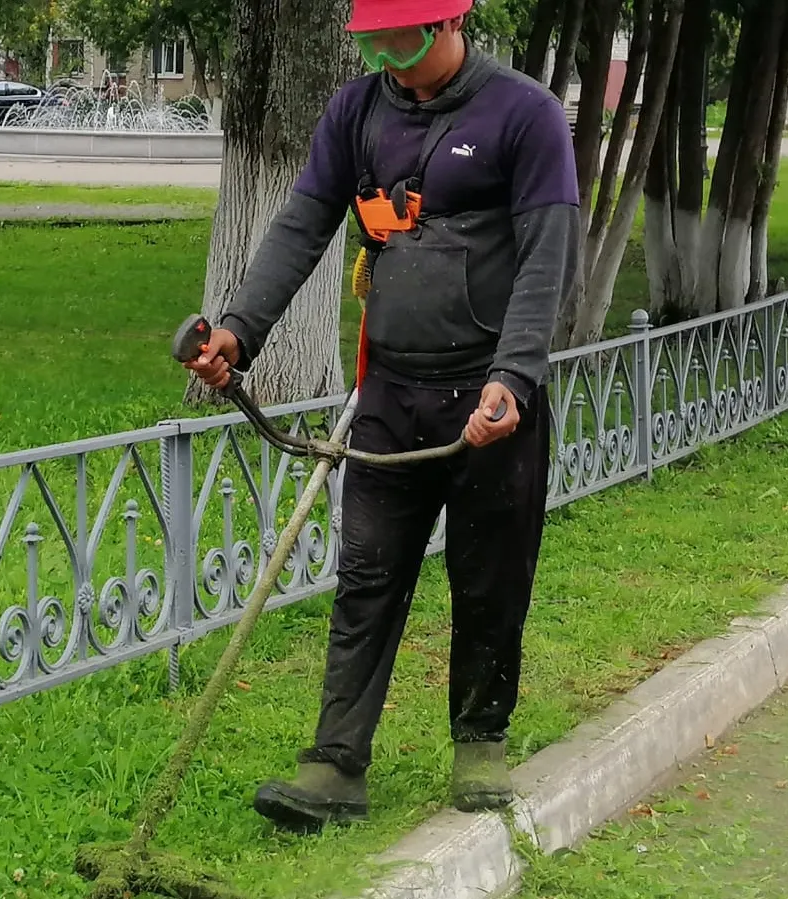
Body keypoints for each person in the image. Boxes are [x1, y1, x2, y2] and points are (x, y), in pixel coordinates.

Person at [184, 0, 580, 833]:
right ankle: (334, 765)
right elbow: (301, 224)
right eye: (375, 43)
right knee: (365, 578)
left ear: (448, 24)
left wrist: (513, 377)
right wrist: (238, 330)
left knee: (487, 580)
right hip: (390, 396)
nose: (390, 60)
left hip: (488, 401)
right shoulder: (356, 111)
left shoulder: (524, 114)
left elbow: (548, 255)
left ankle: (479, 738)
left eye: (403, 40)